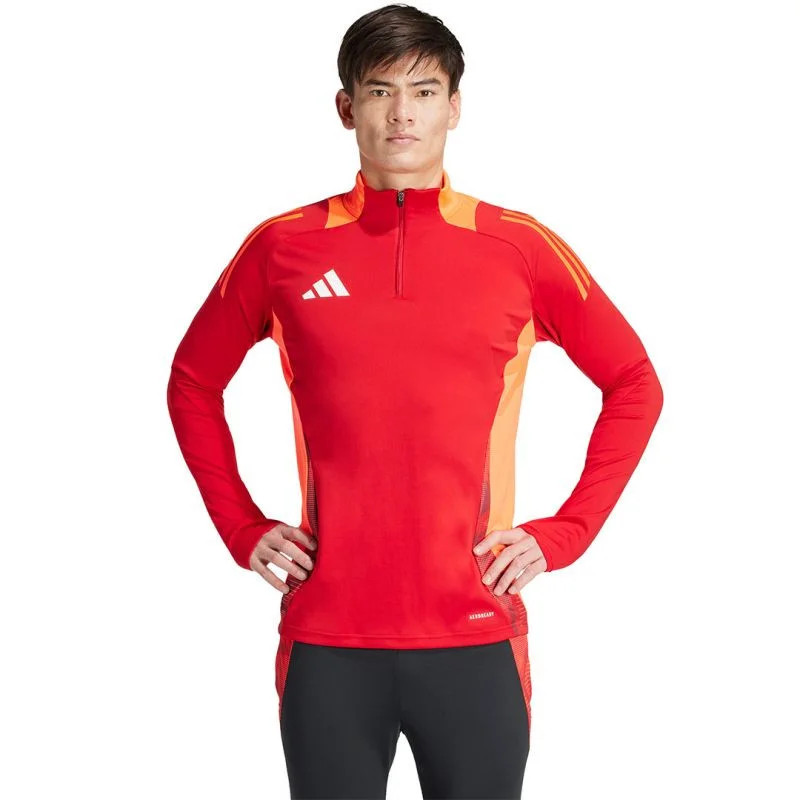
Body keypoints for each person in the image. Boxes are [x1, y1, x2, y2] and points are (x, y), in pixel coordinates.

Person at [166, 4, 664, 798]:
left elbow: (634, 381)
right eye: (380, 90)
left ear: (454, 107)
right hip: (328, 637)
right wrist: (241, 527)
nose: (402, 113)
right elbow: (193, 380)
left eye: (424, 91)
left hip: (475, 631)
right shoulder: (283, 247)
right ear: (346, 107)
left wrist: (565, 533)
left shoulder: (518, 246)